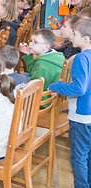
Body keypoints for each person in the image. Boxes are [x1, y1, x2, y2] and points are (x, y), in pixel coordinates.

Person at [49, 18, 91, 188]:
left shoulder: (81, 58)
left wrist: (57, 86)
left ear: (86, 38)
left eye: (75, 34)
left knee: (79, 156)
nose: (71, 37)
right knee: (88, 154)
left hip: (81, 115)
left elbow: (78, 89)